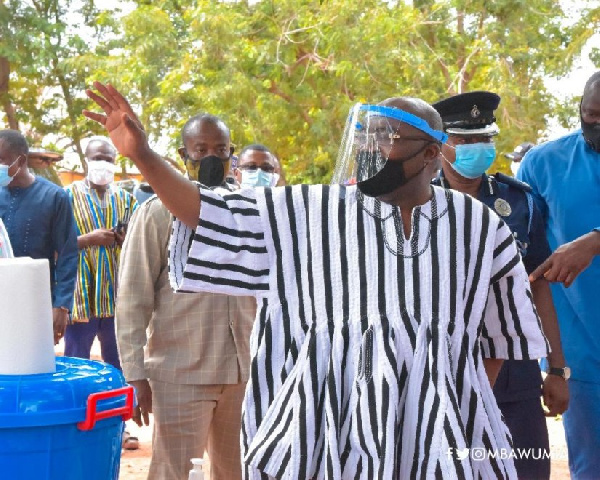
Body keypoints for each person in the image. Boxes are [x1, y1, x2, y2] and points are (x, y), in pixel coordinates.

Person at [85, 82, 549, 479]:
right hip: (323, 433)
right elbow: (206, 215)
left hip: (444, 438)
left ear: (431, 153)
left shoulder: (480, 227)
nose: (369, 148)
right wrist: (143, 154)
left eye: (385, 139)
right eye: (364, 136)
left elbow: (500, 338)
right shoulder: (306, 211)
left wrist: (441, 393)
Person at [432, 91, 569, 479]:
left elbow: (539, 286)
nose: (479, 147)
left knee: (525, 470)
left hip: (514, 373)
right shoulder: (416, 200)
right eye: (466, 139)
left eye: (485, 138)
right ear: (441, 143)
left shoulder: (519, 202)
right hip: (440, 367)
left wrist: (556, 369)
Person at [116, 114, 256, 480]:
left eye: (221, 149)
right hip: (180, 373)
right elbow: (133, 298)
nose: (212, 157)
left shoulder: (249, 210)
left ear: (232, 155)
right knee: (173, 472)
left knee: (239, 471)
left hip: (244, 372)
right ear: (184, 155)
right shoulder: (156, 213)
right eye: (201, 149)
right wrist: (135, 374)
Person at [517, 71, 600, 480]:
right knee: (590, 465)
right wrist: (553, 363)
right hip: (583, 350)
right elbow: (523, 252)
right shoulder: (543, 163)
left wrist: (595, 241)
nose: (597, 125)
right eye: (591, 115)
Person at [63, 136, 138, 370]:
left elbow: (140, 244)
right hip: (81, 295)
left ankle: (120, 406)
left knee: (119, 362)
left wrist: (128, 240)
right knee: (77, 361)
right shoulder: (66, 197)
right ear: (86, 160)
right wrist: (87, 239)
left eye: (108, 159)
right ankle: (79, 406)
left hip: (116, 294)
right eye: (97, 158)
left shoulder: (127, 200)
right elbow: (53, 245)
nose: (103, 164)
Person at [0, 129, 78, 343]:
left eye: (1, 159)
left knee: (30, 363)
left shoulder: (54, 197)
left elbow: (68, 253)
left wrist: (61, 305)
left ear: (21, 160)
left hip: (35, 300)